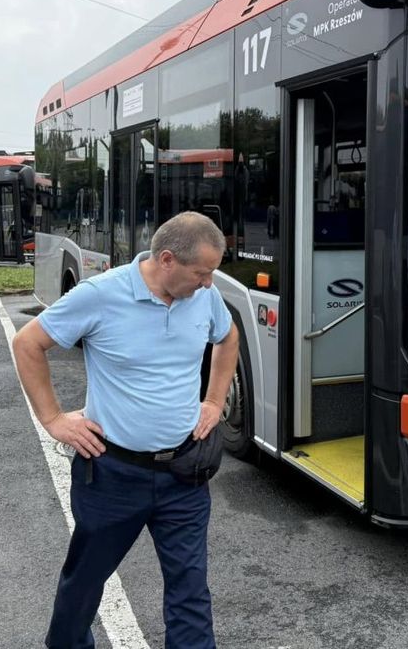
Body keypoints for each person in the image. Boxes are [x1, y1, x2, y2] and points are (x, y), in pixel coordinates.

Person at [13, 211, 239, 649]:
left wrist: (213, 401)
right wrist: (54, 420)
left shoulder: (203, 298)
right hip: (113, 475)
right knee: (84, 583)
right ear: (168, 260)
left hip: (184, 474)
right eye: (202, 273)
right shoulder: (101, 294)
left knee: (190, 590)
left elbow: (226, 339)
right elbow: (28, 343)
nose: (209, 283)